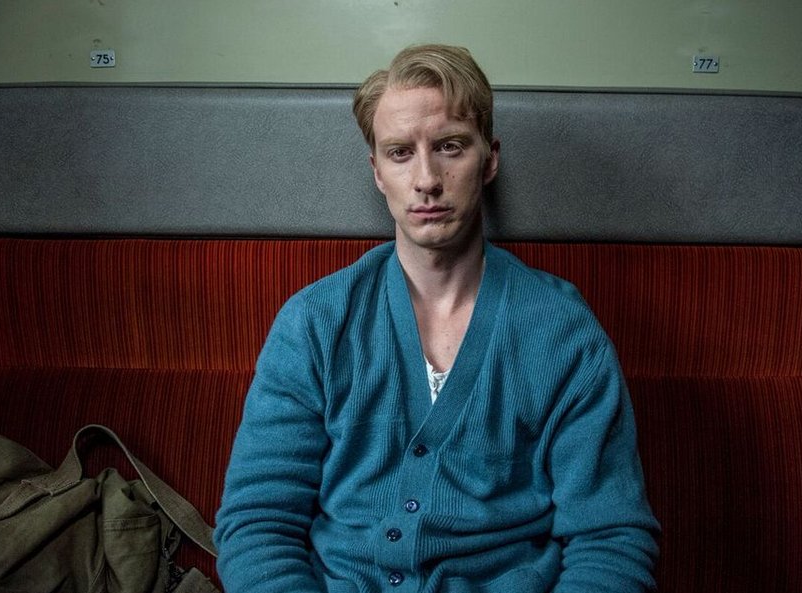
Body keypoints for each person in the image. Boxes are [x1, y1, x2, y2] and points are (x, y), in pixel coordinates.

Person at [213, 44, 659, 592]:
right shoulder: (315, 323)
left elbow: (610, 540)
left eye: (450, 146)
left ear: (489, 159)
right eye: (400, 153)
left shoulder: (562, 332)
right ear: (377, 172)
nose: (426, 179)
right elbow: (258, 524)